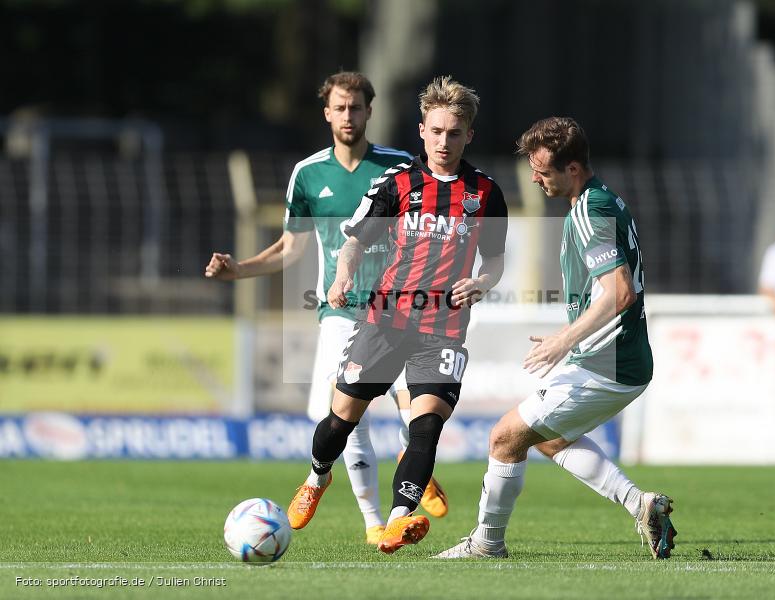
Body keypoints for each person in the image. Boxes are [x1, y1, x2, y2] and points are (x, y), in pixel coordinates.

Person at [204, 71, 448, 545]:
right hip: (340, 309)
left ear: (369, 111)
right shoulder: (309, 173)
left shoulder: (401, 165)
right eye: (340, 107)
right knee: (343, 414)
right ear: (327, 113)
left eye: (356, 107)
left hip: (400, 308)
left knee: (413, 407)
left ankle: (409, 460)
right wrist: (240, 270)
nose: (348, 116)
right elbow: (290, 249)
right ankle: (375, 523)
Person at [436, 117, 676, 560]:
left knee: (504, 437)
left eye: (543, 171)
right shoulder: (600, 200)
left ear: (572, 169)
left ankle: (487, 543)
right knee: (549, 438)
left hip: (609, 364)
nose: (534, 177)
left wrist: (565, 339)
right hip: (611, 358)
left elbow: (619, 291)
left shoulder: (590, 210)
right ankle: (641, 505)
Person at [287, 76, 508, 555]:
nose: (444, 141)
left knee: (425, 427)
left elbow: (494, 260)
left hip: (443, 330)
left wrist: (483, 283)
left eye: (454, 133)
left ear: (468, 134)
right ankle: (316, 476)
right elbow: (353, 243)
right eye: (436, 131)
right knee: (340, 421)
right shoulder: (398, 184)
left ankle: (396, 520)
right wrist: (343, 277)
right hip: (386, 320)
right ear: (421, 132)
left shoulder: (486, 193)